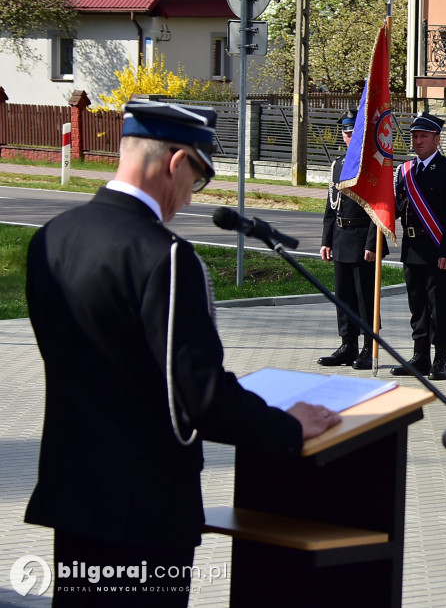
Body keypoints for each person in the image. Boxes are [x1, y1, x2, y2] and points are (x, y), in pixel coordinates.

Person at [24, 101, 340, 606]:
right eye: (197, 179)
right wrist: (288, 426)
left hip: (75, 498)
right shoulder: (165, 257)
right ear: (176, 161)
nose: (190, 198)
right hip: (145, 512)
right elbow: (199, 396)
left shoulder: (52, 239)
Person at [391, 113, 446, 380]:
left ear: (437, 138)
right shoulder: (405, 171)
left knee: (439, 306)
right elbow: (396, 209)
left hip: (437, 250)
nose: (418, 141)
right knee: (417, 306)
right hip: (412, 247)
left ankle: (440, 358)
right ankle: (420, 356)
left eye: (424, 136)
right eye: (414, 136)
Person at [317, 109, 386, 369]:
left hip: (362, 238)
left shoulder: (372, 165)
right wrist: (326, 240)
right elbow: (330, 206)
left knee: (365, 297)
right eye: (346, 133)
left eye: (353, 132)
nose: (348, 137)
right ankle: (348, 345)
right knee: (344, 295)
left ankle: (370, 346)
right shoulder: (338, 164)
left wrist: (372, 243)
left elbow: (378, 208)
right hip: (341, 237)